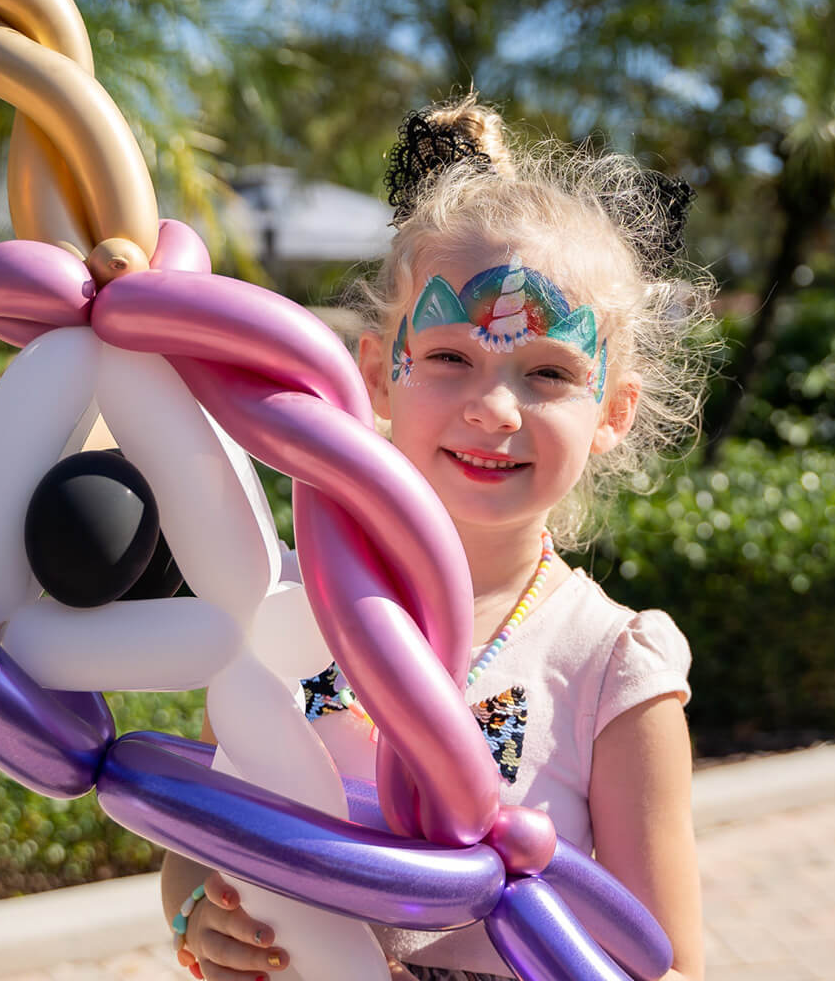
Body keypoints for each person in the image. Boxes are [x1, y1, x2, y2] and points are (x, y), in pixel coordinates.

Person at [161, 94, 714, 981]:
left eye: (548, 373)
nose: (495, 408)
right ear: (381, 374)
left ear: (612, 412)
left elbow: (668, 963)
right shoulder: (287, 608)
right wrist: (195, 912)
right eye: (452, 358)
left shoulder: (613, 667)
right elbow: (205, 828)